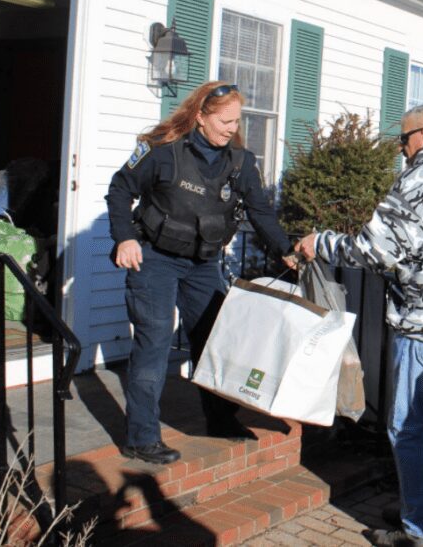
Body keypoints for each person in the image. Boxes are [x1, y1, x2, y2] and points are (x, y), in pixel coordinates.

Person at [296, 104, 423, 547]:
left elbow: (376, 250)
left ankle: (419, 532)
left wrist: (320, 242)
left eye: (404, 140)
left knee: (406, 426)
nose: (402, 149)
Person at [106, 81, 296, 465]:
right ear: (201, 117)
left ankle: (220, 419)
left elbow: (260, 211)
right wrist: (124, 238)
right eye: (225, 121)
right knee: (155, 342)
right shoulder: (161, 151)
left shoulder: (240, 163)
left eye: (236, 121)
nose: (232, 129)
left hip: (203, 263)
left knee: (214, 341)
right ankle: (142, 437)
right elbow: (120, 190)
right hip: (155, 259)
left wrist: (285, 250)